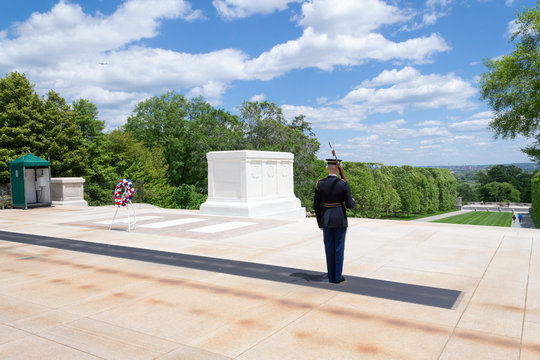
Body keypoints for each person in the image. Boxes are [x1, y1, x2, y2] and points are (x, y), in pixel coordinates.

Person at [313, 158, 356, 284]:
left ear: (327, 169)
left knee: (328, 248)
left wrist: (320, 221)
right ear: (338, 169)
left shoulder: (319, 183)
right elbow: (349, 205)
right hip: (339, 219)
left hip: (326, 219)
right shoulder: (343, 184)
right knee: (338, 248)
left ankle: (331, 276)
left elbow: (316, 206)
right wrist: (353, 201)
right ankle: (337, 277)